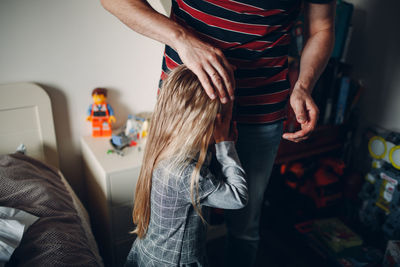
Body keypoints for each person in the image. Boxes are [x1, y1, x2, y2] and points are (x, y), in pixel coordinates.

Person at [101, 0, 335, 265]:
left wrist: (303, 85)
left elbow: (322, 28)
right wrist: (181, 38)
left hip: (260, 107)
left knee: (245, 227)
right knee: (181, 215)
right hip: (189, 105)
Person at [125, 65, 248, 267]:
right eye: (218, 118)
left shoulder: (163, 148)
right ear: (198, 124)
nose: (222, 123)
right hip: (175, 261)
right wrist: (226, 146)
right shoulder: (185, 174)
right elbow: (237, 197)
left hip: (149, 249)